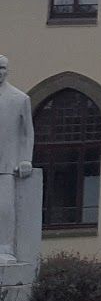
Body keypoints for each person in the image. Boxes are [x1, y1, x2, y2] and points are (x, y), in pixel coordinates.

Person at [0, 56, 35, 263]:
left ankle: (5, 246)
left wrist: (25, 159)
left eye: (2, 68)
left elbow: (26, 133)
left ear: (8, 70)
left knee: (4, 206)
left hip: (6, 162)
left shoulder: (19, 98)